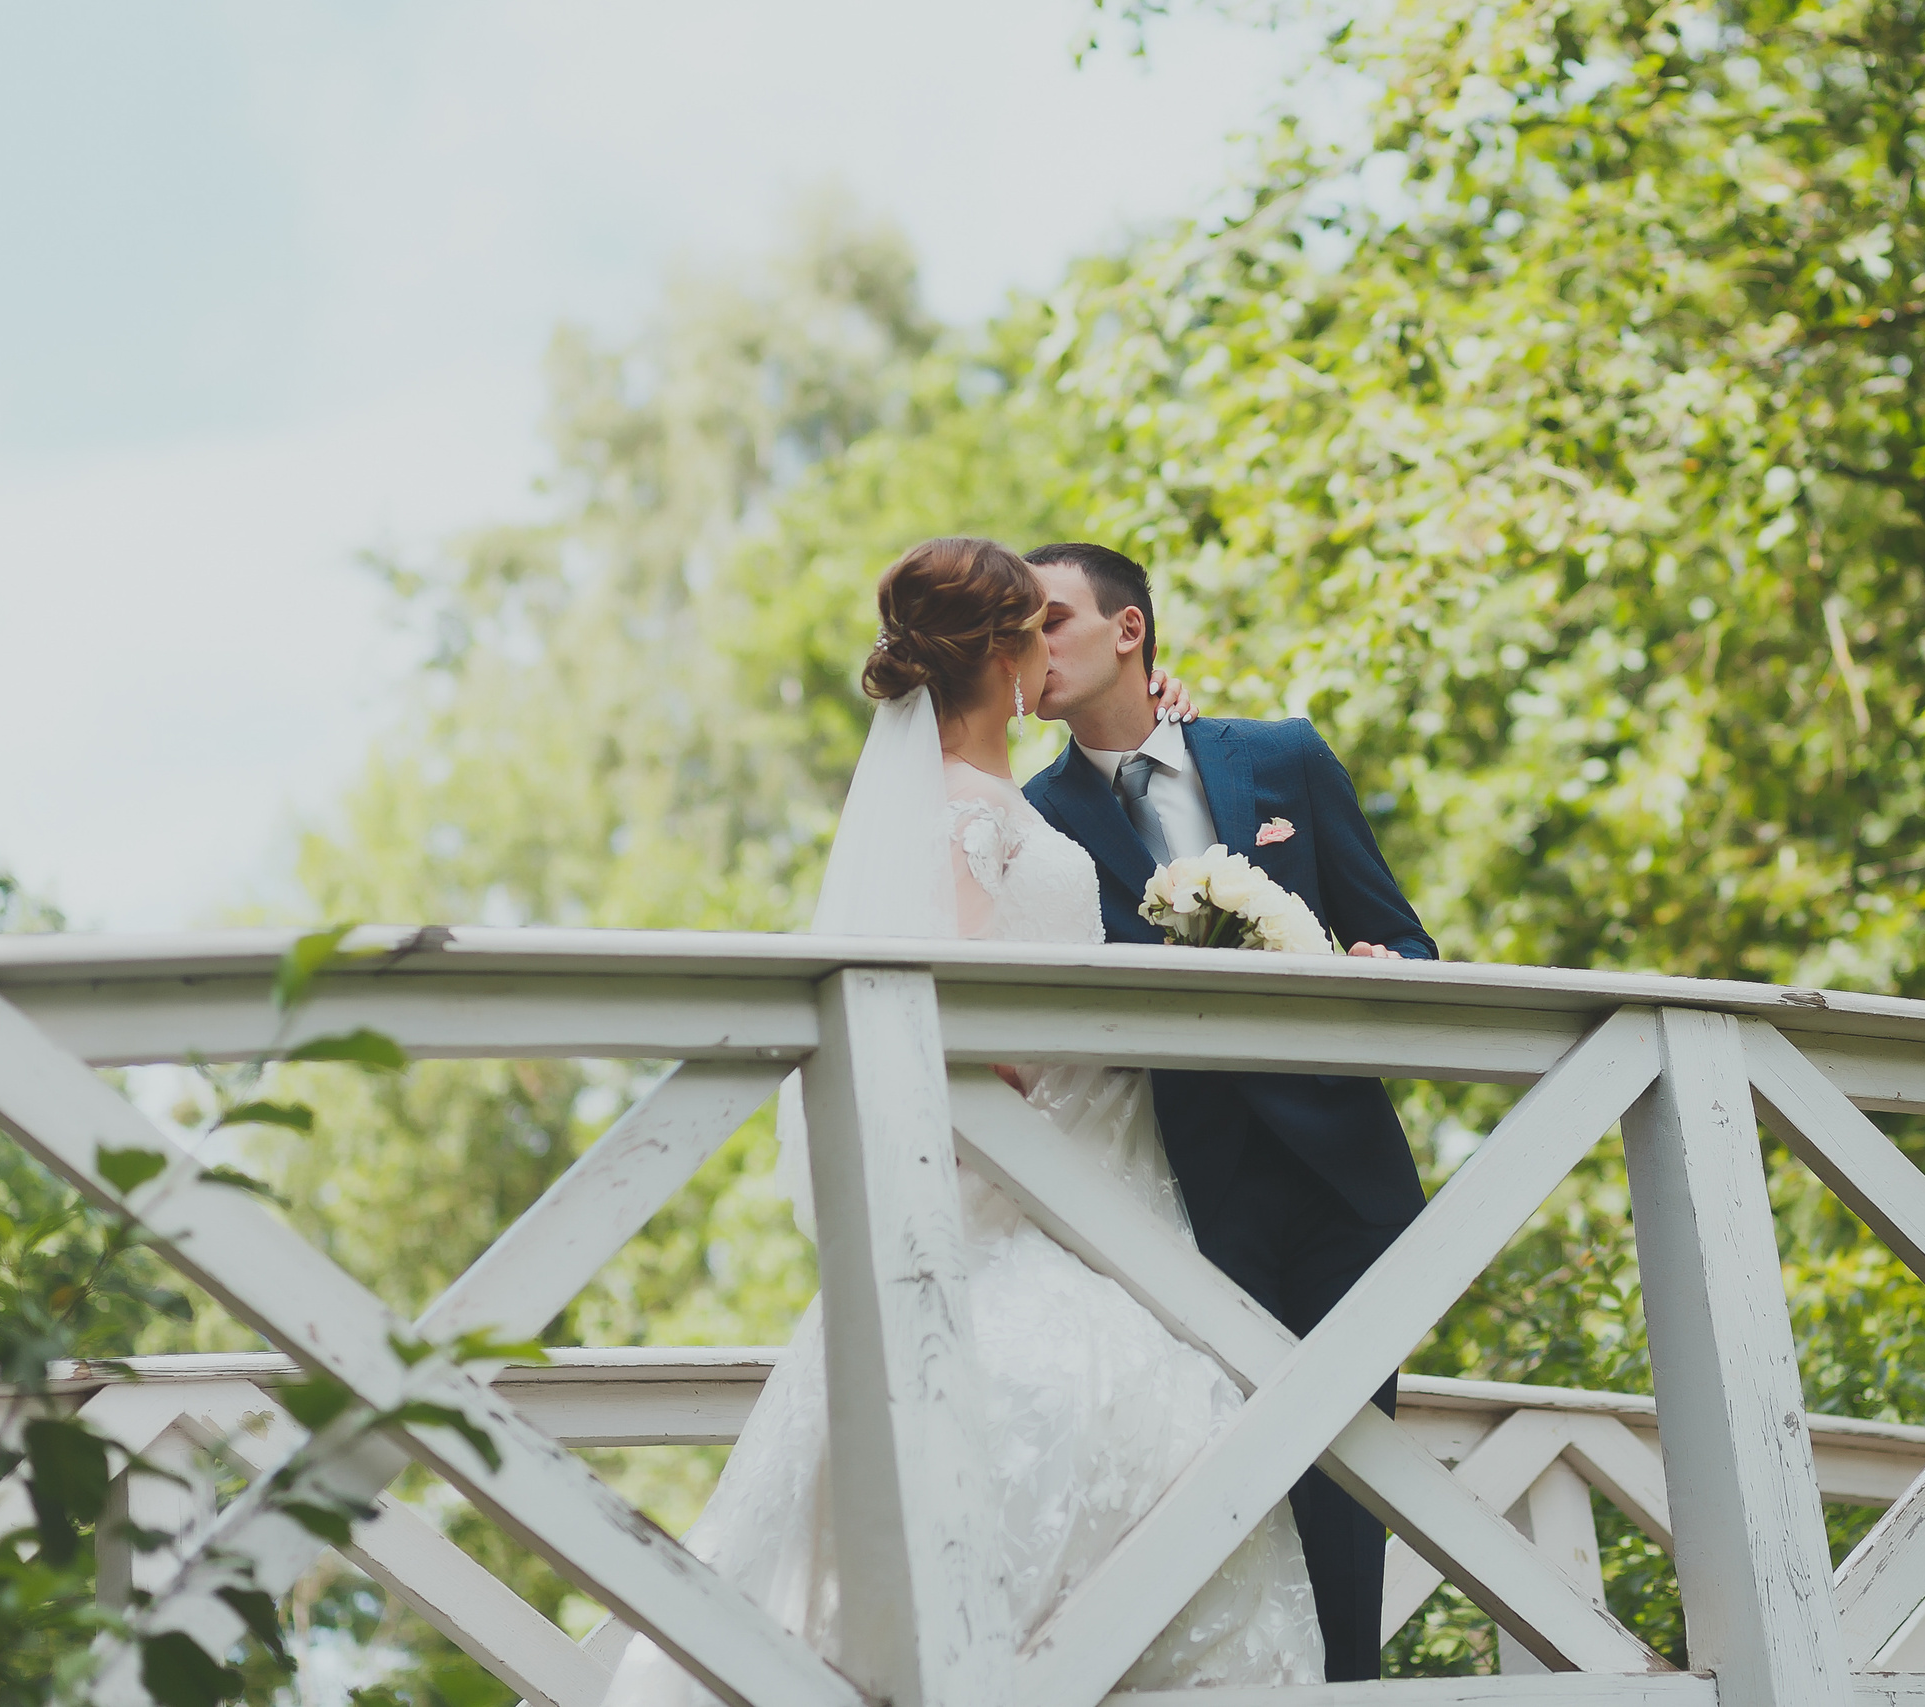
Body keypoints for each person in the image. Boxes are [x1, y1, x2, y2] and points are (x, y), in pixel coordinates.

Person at [601, 539, 1324, 1705]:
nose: (1056, 649)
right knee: (1120, 1436)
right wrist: (1051, 1069)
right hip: (1040, 1186)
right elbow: (944, 1013)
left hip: (1110, 1194)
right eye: (1039, 628)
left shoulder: (993, 801)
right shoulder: (967, 816)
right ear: (1005, 651)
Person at [1019, 541, 1435, 1683]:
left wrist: (1378, 964)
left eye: (1050, 619)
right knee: (1223, 1494)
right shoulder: (1030, 822)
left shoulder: (1283, 757)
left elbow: (1402, 932)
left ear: (1129, 631)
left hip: (1343, 1182)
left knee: (1349, 1483)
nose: (1030, 644)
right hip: (1178, 1199)